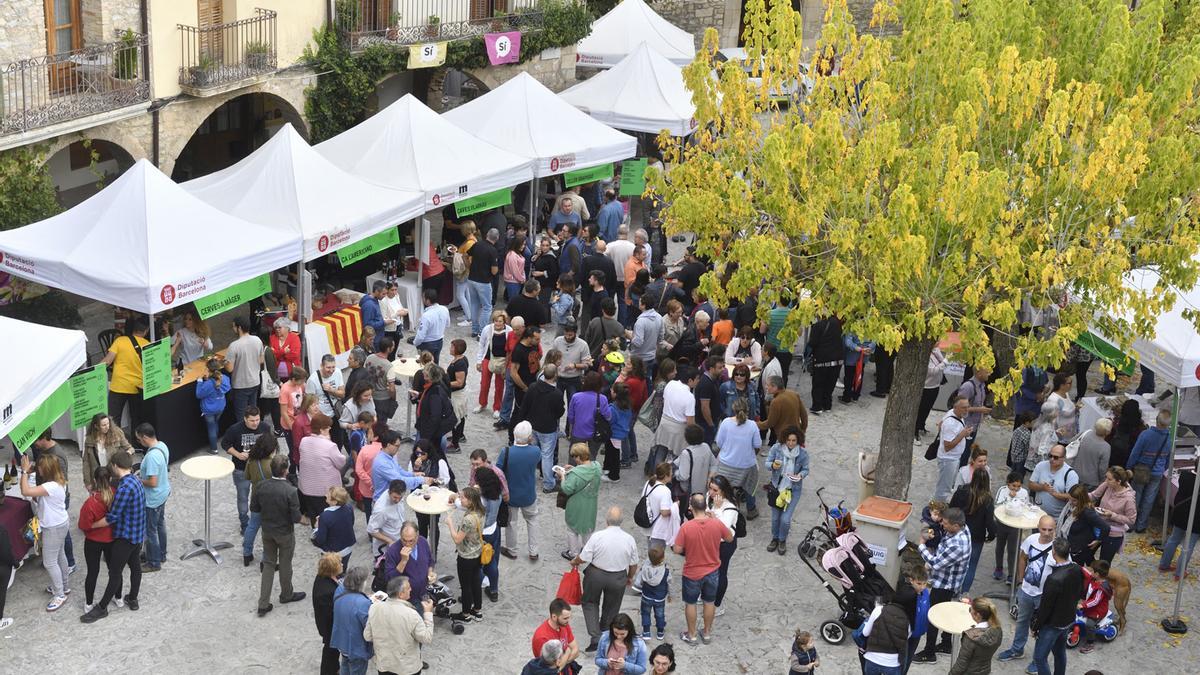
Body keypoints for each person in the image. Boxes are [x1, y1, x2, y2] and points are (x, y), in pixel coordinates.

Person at [80, 451, 143, 624]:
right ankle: (133, 598)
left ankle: (101, 608)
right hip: (138, 534)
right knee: (135, 566)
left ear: (115, 466)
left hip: (125, 536)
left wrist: (91, 526)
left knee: (115, 573)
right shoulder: (136, 480)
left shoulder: (123, 488)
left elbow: (111, 517)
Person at [568, 506, 640, 653]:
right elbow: (634, 563)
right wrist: (630, 577)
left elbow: (584, 557)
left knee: (589, 602)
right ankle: (605, 630)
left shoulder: (598, 536)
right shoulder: (629, 539)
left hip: (596, 574)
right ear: (622, 522)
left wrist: (575, 561)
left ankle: (595, 635)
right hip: (618, 576)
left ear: (606, 520)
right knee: (612, 606)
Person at [673, 493, 735, 645]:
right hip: (712, 571)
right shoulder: (716, 523)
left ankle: (692, 635)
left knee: (691, 603)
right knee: (709, 602)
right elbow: (729, 538)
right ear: (704, 507)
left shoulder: (686, 527)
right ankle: (706, 633)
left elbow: (677, 549)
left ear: (691, 507)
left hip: (692, 572)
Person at [912, 507, 971, 664]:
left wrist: (922, 545)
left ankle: (929, 652)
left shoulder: (958, 545)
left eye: (945, 523)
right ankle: (946, 644)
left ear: (956, 525)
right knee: (946, 612)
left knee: (934, 616)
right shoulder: (963, 528)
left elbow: (936, 563)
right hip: (950, 581)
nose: (942, 525)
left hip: (945, 584)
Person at [996, 516, 1057, 663]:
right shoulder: (1031, 539)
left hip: (1044, 596)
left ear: (1055, 529)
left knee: (1041, 628)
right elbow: (1022, 557)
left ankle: (1039, 661)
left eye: (1051, 530)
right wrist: (1020, 580)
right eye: (1044, 529)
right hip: (1026, 591)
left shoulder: (1059, 547)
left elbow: (1065, 571)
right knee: (1022, 621)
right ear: (1038, 527)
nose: (1047, 533)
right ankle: (1017, 650)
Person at [253, 454, 305, 616]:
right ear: (285, 470)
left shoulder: (260, 486)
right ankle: (286, 594)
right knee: (285, 563)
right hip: (285, 533)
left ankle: (263, 603)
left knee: (268, 564)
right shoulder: (290, 491)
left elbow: (254, 508)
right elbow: (296, 518)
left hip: (267, 530)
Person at [19, 453, 71, 611]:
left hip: (53, 527)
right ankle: (64, 585)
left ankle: (59, 594)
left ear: (46, 469)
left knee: (49, 562)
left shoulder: (50, 486)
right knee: (60, 555)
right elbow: (43, 499)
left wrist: (24, 472)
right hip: (60, 523)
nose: (38, 468)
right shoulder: (58, 481)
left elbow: (25, 491)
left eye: (40, 466)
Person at [1030, 538, 1085, 675]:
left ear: (1054, 553)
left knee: (1039, 657)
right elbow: (1080, 591)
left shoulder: (1054, 579)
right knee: (1060, 653)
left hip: (1052, 624)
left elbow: (1045, 607)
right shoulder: (1077, 568)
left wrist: (1036, 626)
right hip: (1067, 619)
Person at [363, 576, 434, 675]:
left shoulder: (374, 608)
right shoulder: (411, 614)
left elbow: (368, 636)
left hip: (384, 665)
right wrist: (428, 613)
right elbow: (426, 638)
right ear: (401, 594)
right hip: (407, 668)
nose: (411, 589)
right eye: (408, 588)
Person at [223, 406, 275, 533]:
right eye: (252, 420)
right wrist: (238, 455)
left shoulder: (265, 427)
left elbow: (271, 444)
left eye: (257, 419)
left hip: (260, 468)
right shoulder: (235, 429)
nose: (256, 423)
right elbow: (225, 444)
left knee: (262, 495)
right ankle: (244, 523)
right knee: (243, 497)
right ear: (245, 419)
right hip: (241, 469)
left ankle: (260, 519)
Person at [79, 467, 121, 614]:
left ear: (95, 481)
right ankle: (119, 597)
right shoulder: (117, 495)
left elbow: (83, 525)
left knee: (93, 572)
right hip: (113, 540)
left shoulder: (90, 503)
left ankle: (89, 603)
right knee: (115, 570)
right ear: (110, 479)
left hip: (93, 541)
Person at [519, 362, 566, 493]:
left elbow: (524, 405)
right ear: (555, 375)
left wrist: (522, 422)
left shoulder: (533, 387)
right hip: (548, 429)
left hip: (532, 426)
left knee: (532, 454)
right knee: (547, 456)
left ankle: (526, 480)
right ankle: (548, 484)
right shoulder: (556, 393)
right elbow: (560, 412)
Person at [498, 422, 542, 561]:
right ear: (529, 437)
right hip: (529, 494)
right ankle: (533, 551)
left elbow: (499, 471)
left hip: (511, 495)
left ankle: (512, 550)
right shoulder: (535, 451)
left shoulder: (506, 452)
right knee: (532, 520)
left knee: (512, 523)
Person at [1126, 408, 1173, 532]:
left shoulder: (1146, 434)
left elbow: (1135, 453)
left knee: (1135, 496)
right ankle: (1141, 526)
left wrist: (1129, 467)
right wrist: (1163, 468)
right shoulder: (1170, 438)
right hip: (1157, 473)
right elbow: (1169, 458)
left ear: (1157, 420)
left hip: (1142, 470)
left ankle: (1131, 523)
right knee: (1149, 499)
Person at [713, 400, 762, 518]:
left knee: (722, 487)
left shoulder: (725, 423)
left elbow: (719, 443)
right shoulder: (753, 425)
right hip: (746, 465)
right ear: (748, 410)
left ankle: (722, 508)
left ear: (733, 409)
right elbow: (757, 445)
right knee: (750, 485)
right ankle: (751, 509)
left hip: (726, 464)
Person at [765, 425, 809, 555]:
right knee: (775, 518)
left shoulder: (802, 454)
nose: (790, 443)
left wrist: (800, 475)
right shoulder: (776, 448)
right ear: (784, 439)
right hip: (777, 488)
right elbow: (767, 463)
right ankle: (775, 538)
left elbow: (806, 469)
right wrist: (773, 465)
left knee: (785, 519)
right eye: (788, 440)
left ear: (798, 441)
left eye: (793, 440)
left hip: (793, 490)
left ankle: (782, 539)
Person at [949, 469, 994, 593]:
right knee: (971, 566)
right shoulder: (987, 499)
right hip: (976, 536)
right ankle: (964, 592)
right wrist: (991, 535)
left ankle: (951, 588)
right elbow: (989, 521)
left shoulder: (961, 491)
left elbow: (951, 508)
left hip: (958, 531)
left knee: (954, 562)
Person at [103, 317, 149, 434]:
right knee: (136, 418)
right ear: (146, 331)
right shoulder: (148, 345)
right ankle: (136, 444)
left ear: (133, 329)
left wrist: (91, 371)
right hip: (137, 387)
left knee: (113, 419)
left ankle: (115, 444)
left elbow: (107, 361)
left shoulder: (120, 341)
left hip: (119, 386)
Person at [299, 414, 349, 522]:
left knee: (314, 515)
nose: (330, 429)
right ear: (322, 430)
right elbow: (340, 462)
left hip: (307, 487)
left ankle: (316, 534)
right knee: (328, 517)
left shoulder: (303, 441)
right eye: (328, 427)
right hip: (325, 490)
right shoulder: (330, 446)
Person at [447, 485, 486, 623]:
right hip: (478, 553)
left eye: (462, 497)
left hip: (466, 557)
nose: (460, 499)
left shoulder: (468, 519)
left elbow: (457, 538)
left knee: (466, 586)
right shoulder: (480, 511)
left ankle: (465, 614)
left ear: (470, 501)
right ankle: (477, 611)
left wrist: (450, 524)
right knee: (476, 582)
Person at [135, 424, 170, 574]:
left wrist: (138, 479)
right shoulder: (162, 446)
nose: (138, 442)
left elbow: (152, 482)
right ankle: (160, 554)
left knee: (150, 531)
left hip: (153, 498)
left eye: (138, 439)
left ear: (144, 437)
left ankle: (153, 562)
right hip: (163, 493)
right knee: (160, 524)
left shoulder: (151, 457)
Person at [560, 443, 603, 559]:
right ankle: (588, 552)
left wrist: (563, 477)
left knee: (572, 529)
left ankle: (573, 553)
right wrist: (575, 469)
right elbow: (586, 473)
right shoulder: (597, 467)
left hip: (576, 505)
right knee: (587, 530)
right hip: (591, 505)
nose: (574, 459)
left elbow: (567, 489)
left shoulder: (576, 474)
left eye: (575, 457)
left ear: (579, 457)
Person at [652, 365, 698, 471]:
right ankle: (668, 480)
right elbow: (690, 422)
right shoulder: (690, 397)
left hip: (664, 423)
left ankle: (656, 475)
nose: (698, 382)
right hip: (678, 429)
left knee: (661, 451)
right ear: (690, 380)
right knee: (676, 457)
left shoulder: (671, 384)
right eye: (697, 379)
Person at [242, 433, 277, 565]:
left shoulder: (251, 460)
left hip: (256, 497)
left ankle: (247, 553)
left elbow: (247, 477)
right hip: (270, 502)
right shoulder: (272, 464)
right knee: (268, 532)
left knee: (252, 527)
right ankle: (265, 560)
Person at [331, 566, 374, 675]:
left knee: (345, 665)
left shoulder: (339, 590)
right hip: (356, 647)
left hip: (342, 641)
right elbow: (369, 626)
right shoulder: (363, 603)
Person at [1158, 468, 1200, 579]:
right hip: (1196, 518)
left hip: (1181, 512)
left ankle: (1164, 564)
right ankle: (1180, 572)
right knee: (1189, 545)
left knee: (1173, 539)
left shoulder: (1185, 475)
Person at [1090, 466, 1137, 564]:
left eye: (1109, 479)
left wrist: (1112, 515)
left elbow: (1131, 520)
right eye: (1106, 477)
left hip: (1113, 534)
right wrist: (1080, 495)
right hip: (1099, 527)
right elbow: (1094, 495)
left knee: (1103, 563)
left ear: (1118, 481)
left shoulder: (1128, 499)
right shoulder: (1107, 485)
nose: (1106, 480)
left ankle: (1100, 577)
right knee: (1086, 553)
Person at [934, 397, 975, 502]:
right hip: (948, 459)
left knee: (948, 485)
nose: (966, 410)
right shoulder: (950, 423)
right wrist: (962, 435)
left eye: (967, 407)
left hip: (954, 458)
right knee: (944, 488)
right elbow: (947, 447)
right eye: (963, 408)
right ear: (955, 407)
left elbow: (940, 425)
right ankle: (936, 509)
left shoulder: (955, 414)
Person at [224, 315, 264, 420]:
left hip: (240, 385)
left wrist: (225, 362)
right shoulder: (257, 340)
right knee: (253, 412)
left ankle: (243, 435)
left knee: (241, 415)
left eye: (234, 327)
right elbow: (261, 360)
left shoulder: (234, 345)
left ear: (239, 328)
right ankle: (254, 433)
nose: (233, 329)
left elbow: (229, 368)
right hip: (255, 381)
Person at [947, 597, 1002, 674]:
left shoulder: (971, 638)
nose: (970, 611)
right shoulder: (997, 629)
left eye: (971, 610)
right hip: (985, 670)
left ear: (977, 615)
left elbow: (961, 664)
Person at [567, 372, 613, 459]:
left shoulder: (576, 397)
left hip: (578, 431)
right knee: (591, 457)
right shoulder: (602, 398)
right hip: (595, 433)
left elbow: (571, 417)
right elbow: (608, 416)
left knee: (574, 457)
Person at [992, 471, 1029, 581]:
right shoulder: (1003, 490)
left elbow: (1025, 507)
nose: (1016, 489)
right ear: (1008, 484)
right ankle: (999, 568)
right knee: (1000, 547)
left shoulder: (1024, 493)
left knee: (1013, 549)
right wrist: (1009, 498)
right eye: (1013, 486)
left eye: (1018, 486)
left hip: (1015, 525)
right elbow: (997, 505)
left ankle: (1012, 573)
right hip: (1002, 523)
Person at [82, 413, 133, 491]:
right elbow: (86, 462)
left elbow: (130, 448)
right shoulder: (89, 439)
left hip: (114, 476)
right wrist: (88, 482)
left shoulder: (117, 433)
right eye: (103, 425)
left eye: (108, 423)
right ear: (96, 426)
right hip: (98, 477)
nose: (107, 427)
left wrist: (125, 455)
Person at [860, 595, 910, 675]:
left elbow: (865, 633)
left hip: (872, 657)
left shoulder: (878, 609)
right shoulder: (908, 619)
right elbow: (906, 638)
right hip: (892, 663)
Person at [385, 522, 433, 605]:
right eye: (404, 540)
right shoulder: (392, 551)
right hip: (407, 599)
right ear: (400, 536)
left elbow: (430, 561)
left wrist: (430, 572)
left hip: (424, 592)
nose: (407, 544)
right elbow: (390, 579)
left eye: (411, 541)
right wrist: (403, 561)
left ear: (417, 536)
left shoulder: (423, 542)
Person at [313, 552, 344, 675]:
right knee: (331, 651)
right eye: (339, 563)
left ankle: (334, 669)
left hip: (329, 625)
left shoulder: (324, 577)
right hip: (330, 628)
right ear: (333, 569)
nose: (342, 565)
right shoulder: (327, 591)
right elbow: (331, 614)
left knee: (333, 651)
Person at [1060, 485, 1107, 566]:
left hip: (1079, 550)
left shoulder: (1087, 512)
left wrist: (1098, 540)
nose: (1070, 502)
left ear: (1082, 500)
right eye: (1070, 498)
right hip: (1070, 546)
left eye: (1074, 500)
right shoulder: (1071, 507)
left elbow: (1105, 527)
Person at [475, 310, 511, 415]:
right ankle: (482, 403)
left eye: (500, 321)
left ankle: (497, 408)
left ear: (504, 322)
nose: (498, 323)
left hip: (502, 361)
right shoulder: (487, 329)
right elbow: (481, 345)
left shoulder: (509, 331)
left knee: (499, 386)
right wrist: (479, 361)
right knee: (484, 384)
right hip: (488, 358)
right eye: (496, 321)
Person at [1029, 443, 1079, 519]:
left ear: (1064, 458)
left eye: (1056, 457)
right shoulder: (1041, 465)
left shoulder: (1071, 475)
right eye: (1050, 456)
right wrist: (1042, 487)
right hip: (1037, 514)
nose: (1052, 459)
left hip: (1056, 518)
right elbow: (1031, 484)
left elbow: (1072, 496)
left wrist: (1054, 493)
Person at [532, 599, 582, 673]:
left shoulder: (564, 625)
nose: (568, 620)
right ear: (554, 617)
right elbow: (552, 668)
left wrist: (563, 661)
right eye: (565, 618)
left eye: (569, 617)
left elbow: (576, 650)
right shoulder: (542, 638)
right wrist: (568, 651)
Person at [466, 228, 501, 336]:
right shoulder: (493, 250)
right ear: (497, 238)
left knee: (474, 304)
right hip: (484, 282)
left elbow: (465, 255)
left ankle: (474, 330)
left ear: (487, 235)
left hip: (471, 279)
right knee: (487, 307)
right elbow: (494, 271)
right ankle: (482, 331)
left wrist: (469, 267)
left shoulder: (477, 244)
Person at [314, 486, 357, 569]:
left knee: (330, 573)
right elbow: (351, 523)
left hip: (332, 553)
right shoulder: (349, 507)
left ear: (334, 502)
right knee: (343, 570)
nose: (326, 495)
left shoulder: (325, 516)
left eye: (328, 495)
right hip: (348, 547)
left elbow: (320, 539)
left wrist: (317, 528)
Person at [807, 315, 843, 414]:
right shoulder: (838, 323)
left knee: (818, 383)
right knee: (830, 383)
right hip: (837, 358)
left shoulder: (817, 326)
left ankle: (817, 406)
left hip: (822, 359)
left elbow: (812, 343)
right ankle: (827, 405)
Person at [956, 366, 993, 461]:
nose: (989, 373)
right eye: (986, 371)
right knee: (962, 453)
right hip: (965, 427)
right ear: (979, 372)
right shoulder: (968, 386)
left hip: (974, 426)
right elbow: (958, 407)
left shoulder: (982, 385)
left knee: (967, 452)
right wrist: (980, 410)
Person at [634, 545, 671, 641]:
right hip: (660, 598)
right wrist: (670, 594)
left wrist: (640, 585)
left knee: (645, 613)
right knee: (660, 614)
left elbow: (639, 581)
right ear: (662, 558)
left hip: (646, 596)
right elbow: (669, 583)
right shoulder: (666, 571)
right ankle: (660, 632)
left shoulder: (645, 568)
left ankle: (646, 632)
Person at [641, 463, 679, 552]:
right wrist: (675, 506)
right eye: (671, 473)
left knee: (651, 550)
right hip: (657, 529)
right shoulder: (665, 491)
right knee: (657, 554)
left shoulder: (648, 483)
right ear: (666, 476)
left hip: (647, 523)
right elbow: (664, 512)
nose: (672, 474)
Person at [1078, 559, 1113, 655]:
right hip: (1090, 607)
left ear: (1097, 574)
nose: (1090, 571)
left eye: (1092, 570)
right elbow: (1086, 573)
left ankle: (1090, 643)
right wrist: (1076, 565)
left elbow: (1095, 601)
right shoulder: (1093, 578)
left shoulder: (1101, 588)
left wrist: (1083, 605)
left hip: (1097, 611)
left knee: (1089, 624)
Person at [758, 376, 807, 442]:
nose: (766, 387)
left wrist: (755, 424)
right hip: (796, 433)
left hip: (784, 436)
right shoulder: (794, 394)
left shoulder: (776, 401)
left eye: (767, 385)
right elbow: (804, 415)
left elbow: (770, 423)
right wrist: (803, 430)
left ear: (774, 386)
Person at [367, 480, 408, 553]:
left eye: (400, 498)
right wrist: (389, 541)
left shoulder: (398, 495)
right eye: (395, 497)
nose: (398, 500)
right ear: (389, 492)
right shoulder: (381, 509)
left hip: (399, 540)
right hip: (386, 549)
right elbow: (371, 529)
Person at [1074, 418, 1112, 491]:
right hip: (1090, 481)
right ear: (1108, 432)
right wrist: (1103, 481)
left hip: (1074, 472)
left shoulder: (1086, 433)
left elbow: (1072, 441)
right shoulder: (1106, 447)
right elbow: (1102, 469)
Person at [1106, 399, 1145, 468]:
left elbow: (1110, 435)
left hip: (1115, 451)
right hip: (1128, 453)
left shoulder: (1118, 421)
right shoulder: (1139, 425)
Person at [414, 289, 450, 363]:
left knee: (425, 366)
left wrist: (415, 343)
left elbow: (421, 335)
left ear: (427, 300)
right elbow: (447, 324)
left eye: (423, 297)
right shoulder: (444, 309)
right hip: (439, 341)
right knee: (435, 364)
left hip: (427, 344)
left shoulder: (426, 315)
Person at [719, 363, 760, 428]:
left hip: (749, 421)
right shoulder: (725, 386)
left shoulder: (752, 386)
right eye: (736, 374)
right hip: (731, 422)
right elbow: (720, 403)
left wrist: (756, 413)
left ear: (746, 376)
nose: (738, 376)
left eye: (742, 375)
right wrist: (724, 416)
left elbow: (757, 399)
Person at [695, 357, 725, 444]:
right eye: (720, 368)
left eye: (723, 366)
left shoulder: (713, 379)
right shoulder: (706, 384)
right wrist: (711, 424)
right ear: (711, 369)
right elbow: (705, 407)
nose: (723, 370)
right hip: (705, 423)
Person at [839, 333, 874, 403]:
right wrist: (868, 348)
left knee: (849, 377)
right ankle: (856, 396)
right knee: (859, 374)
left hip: (852, 356)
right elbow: (874, 340)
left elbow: (848, 342)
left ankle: (846, 397)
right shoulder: (871, 325)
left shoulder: (852, 326)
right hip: (864, 356)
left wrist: (857, 348)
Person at [1045, 372, 1078, 439]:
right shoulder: (1053, 400)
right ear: (1061, 385)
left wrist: (1076, 408)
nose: (1072, 385)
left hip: (1070, 430)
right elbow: (1051, 421)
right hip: (1061, 434)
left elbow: (1068, 407)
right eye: (1069, 383)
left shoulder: (1066, 393)